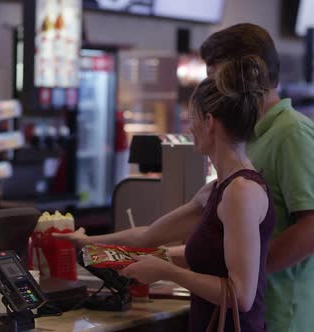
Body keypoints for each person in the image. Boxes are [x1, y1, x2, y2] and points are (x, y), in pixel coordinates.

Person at [59, 56, 276, 331]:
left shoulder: (240, 192)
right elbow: (149, 236)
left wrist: (166, 271)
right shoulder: (218, 188)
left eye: (192, 118)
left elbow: (240, 295)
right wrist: (88, 242)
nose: (189, 127)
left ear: (209, 121)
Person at [199, 24, 314, 331]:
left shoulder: (293, 133)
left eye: (215, 81)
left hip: (285, 319)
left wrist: (245, 276)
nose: (212, 94)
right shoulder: (249, 135)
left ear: (248, 74)